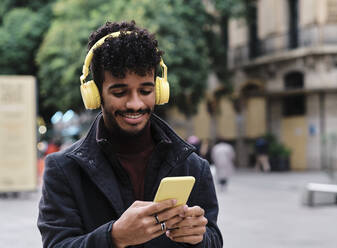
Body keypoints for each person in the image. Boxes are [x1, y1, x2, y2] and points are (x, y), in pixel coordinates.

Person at [38, 21, 222, 248]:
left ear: (160, 90)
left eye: (145, 91)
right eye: (119, 91)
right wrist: (114, 237)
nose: (135, 103)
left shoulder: (194, 166)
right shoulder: (63, 169)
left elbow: (213, 239)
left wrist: (199, 238)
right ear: (95, 94)